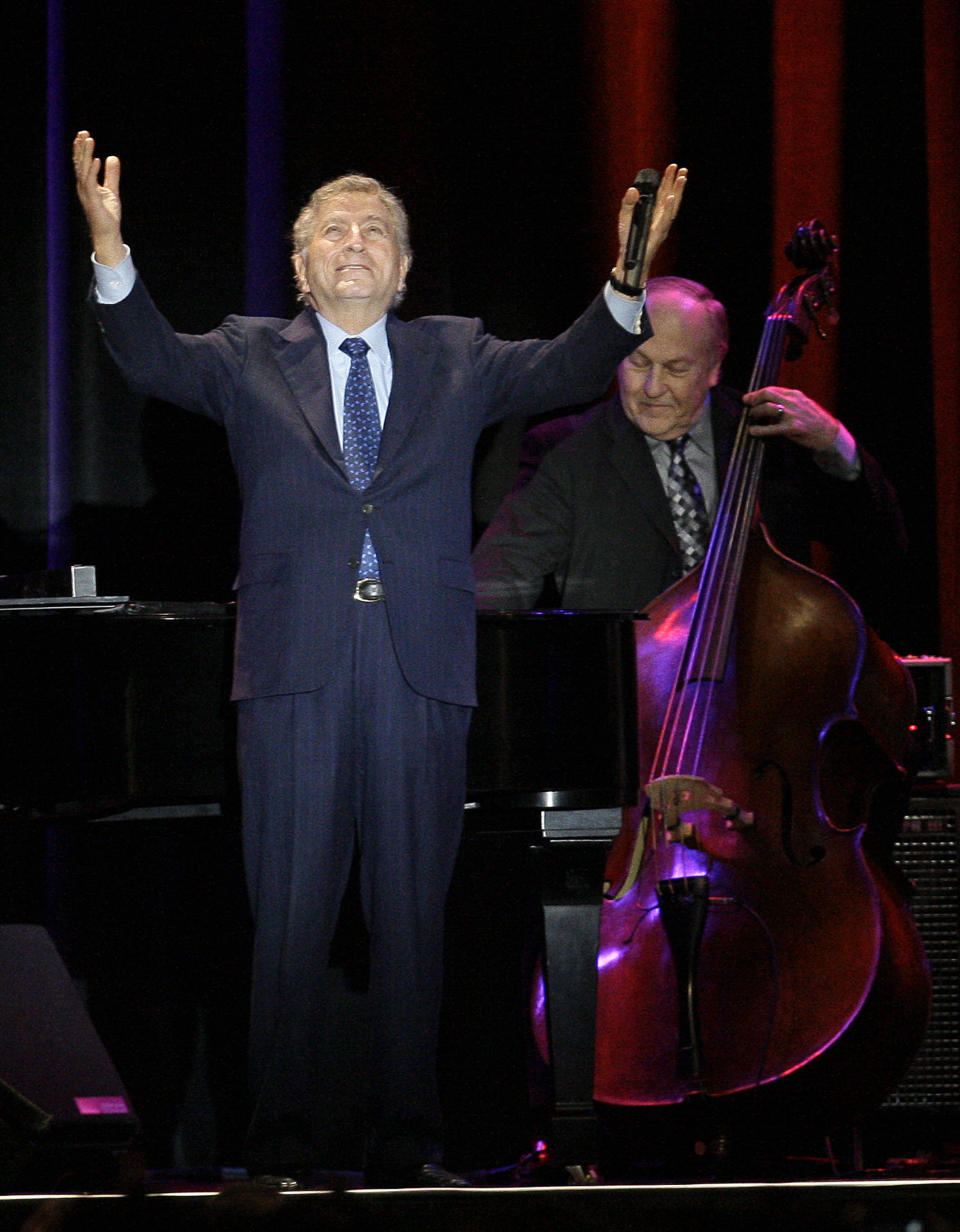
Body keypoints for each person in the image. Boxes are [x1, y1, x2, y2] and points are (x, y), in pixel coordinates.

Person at [72, 130, 686, 1187]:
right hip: (294, 675)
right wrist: (112, 254)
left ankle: (410, 1146)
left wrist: (627, 276)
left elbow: (576, 362)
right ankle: (275, 1148)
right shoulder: (246, 352)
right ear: (300, 269)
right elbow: (148, 357)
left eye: (377, 233)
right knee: (288, 921)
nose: (355, 244)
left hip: (421, 672)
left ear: (403, 271)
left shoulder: (460, 353)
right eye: (332, 233)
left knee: (413, 923)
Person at [472, 275, 907, 638]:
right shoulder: (565, 449)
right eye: (638, 362)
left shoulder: (770, 436)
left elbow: (879, 548)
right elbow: (499, 578)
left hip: (764, 696)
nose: (652, 388)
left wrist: (836, 444)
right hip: (633, 705)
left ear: (714, 366)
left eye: (677, 369)